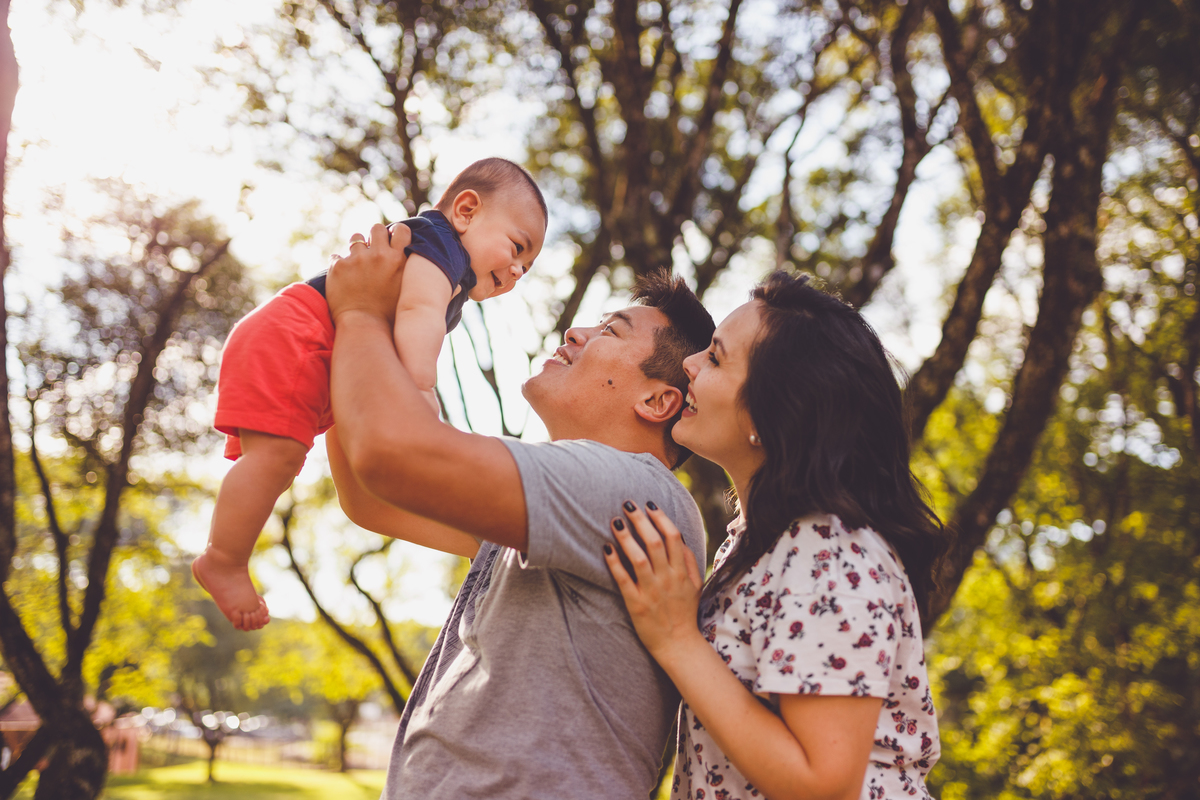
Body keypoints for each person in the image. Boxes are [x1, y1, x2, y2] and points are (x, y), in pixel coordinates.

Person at [322, 223, 717, 799]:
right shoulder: (566, 505)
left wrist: (358, 313)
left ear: (658, 400)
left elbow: (388, 456)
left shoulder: (629, 491)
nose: (576, 331)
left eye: (610, 330)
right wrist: (363, 323)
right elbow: (368, 493)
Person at [603, 271, 953, 800]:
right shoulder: (761, 545)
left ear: (771, 415)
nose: (691, 364)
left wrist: (677, 640)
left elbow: (824, 784)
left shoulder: (832, 551)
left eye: (716, 358)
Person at [192, 157, 548, 631]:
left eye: (527, 265)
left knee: (277, 459)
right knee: (275, 459)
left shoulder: (451, 271)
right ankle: (224, 558)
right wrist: (418, 392)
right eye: (518, 247)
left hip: (313, 346)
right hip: (301, 334)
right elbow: (418, 311)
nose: (519, 269)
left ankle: (225, 556)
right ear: (466, 210)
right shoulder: (442, 246)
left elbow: (366, 495)